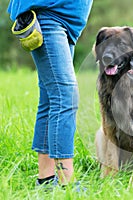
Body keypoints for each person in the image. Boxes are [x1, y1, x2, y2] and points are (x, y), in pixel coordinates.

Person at [7, 0, 93, 187]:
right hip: (49, 17)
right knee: (65, 97)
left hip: (67, 22)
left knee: (50, 98)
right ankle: (66, 183)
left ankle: (45, 180)